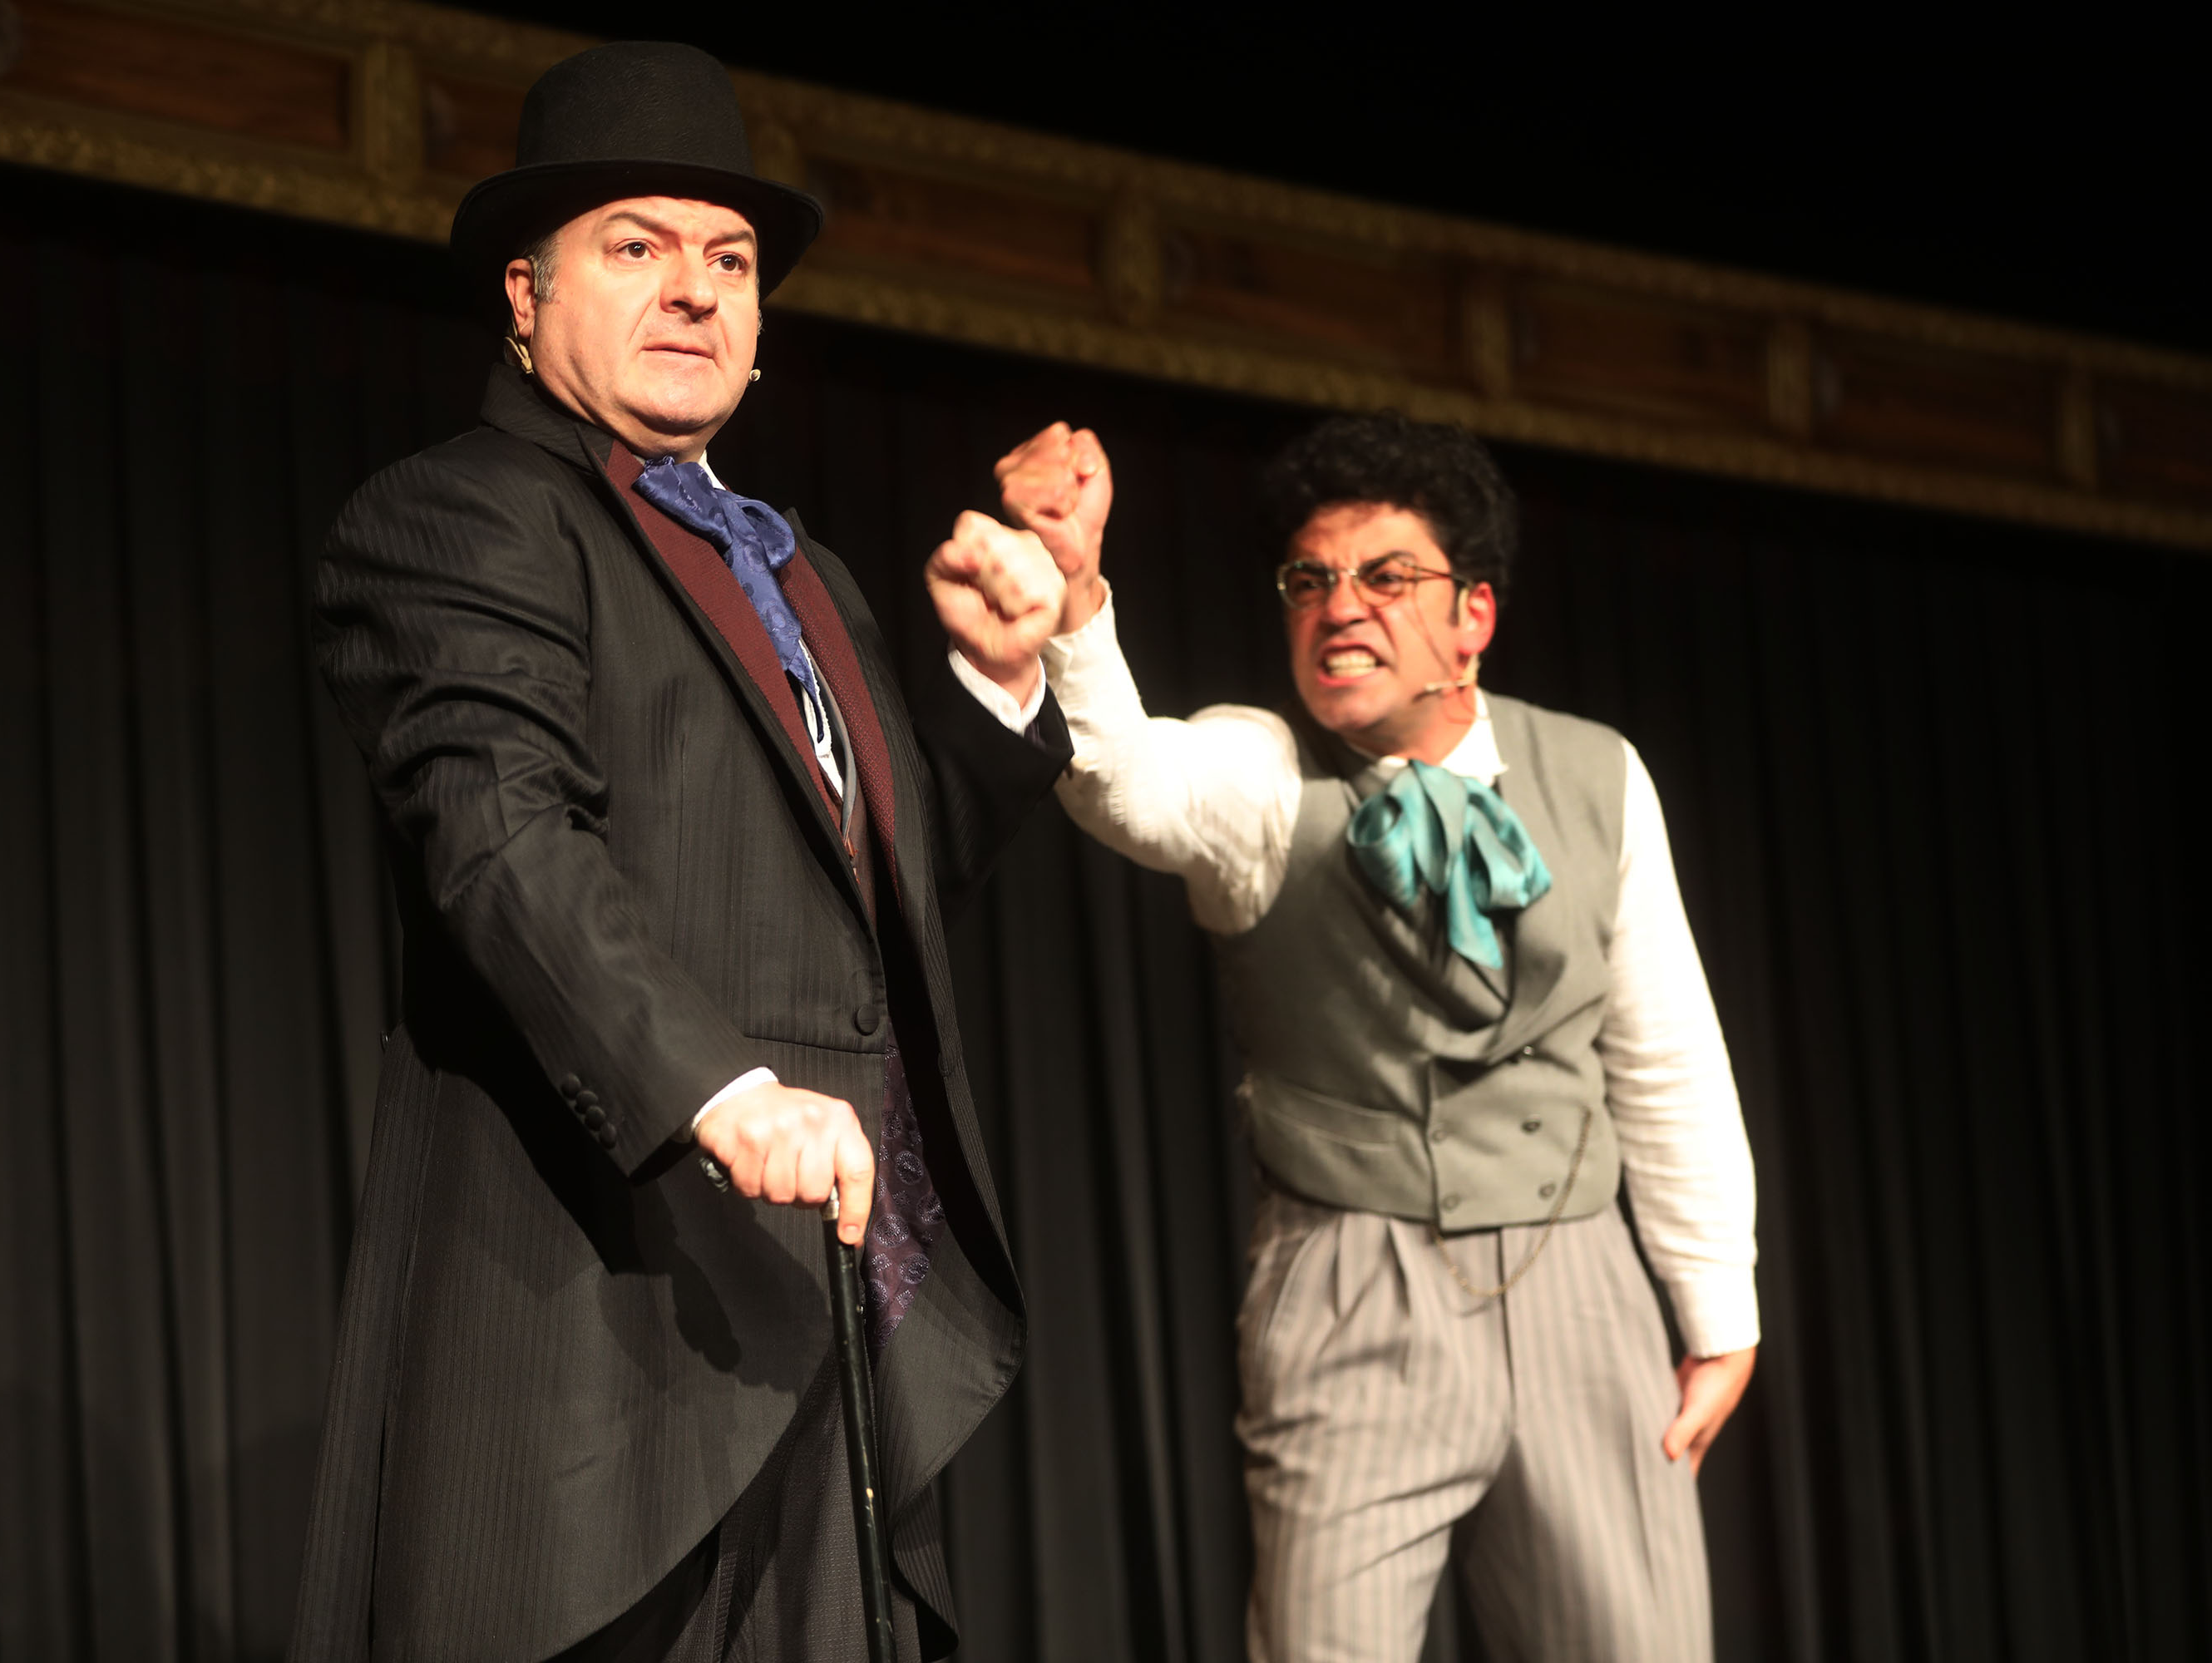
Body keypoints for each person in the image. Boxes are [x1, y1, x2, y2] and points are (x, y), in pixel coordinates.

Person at [289, 42, 1072, 1663]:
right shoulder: (467, 515)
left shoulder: (809, 577)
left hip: (835, 1320)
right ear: (525, 298)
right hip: (609, 1325)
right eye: (637, 247)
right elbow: (505, 838)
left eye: (730, 260)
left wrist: (1002, 689)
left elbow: (866, 902)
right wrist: (720, 1092)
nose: (696, 290)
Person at [998, 414, 1760, 1662]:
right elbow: (1127, 781)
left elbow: (1666, 1053)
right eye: (1310, 581)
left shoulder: (1598, 774)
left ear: (1473, 616)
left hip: (1582, 1283)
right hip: (1352, 1289)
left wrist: (1716, 1309)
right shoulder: (1262, 775)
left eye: (1386, 576)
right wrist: (1077, 592)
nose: (1339, 605)